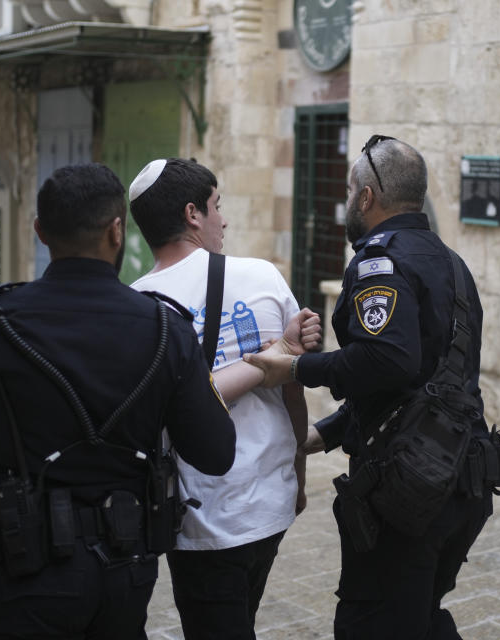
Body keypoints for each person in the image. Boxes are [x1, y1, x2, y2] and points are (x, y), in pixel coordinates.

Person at [0, 163, 237, 639]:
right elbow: (216, 453)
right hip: (122, 578)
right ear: (116, 230)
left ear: (40, 231)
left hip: (20, 575)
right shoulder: (167, 328)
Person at [244, 137, 494, 639]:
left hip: (408, 489)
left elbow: (388, 360)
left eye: (349, 189)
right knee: (416, 613)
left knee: (371, 621)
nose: (345, 202)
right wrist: (329, 432)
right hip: (462, 476)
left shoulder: (379, 262)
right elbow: (426, 385)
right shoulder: (453, 264)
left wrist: (293, 370)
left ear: (366, 197)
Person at [128, 158, 319, 640]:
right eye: (217, 206)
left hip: (198, 518)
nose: (224, 219)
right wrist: (296, 469)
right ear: (193, 214)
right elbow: (293, 384)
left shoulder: (135, 305)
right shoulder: (262, 277)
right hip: (268, 502)